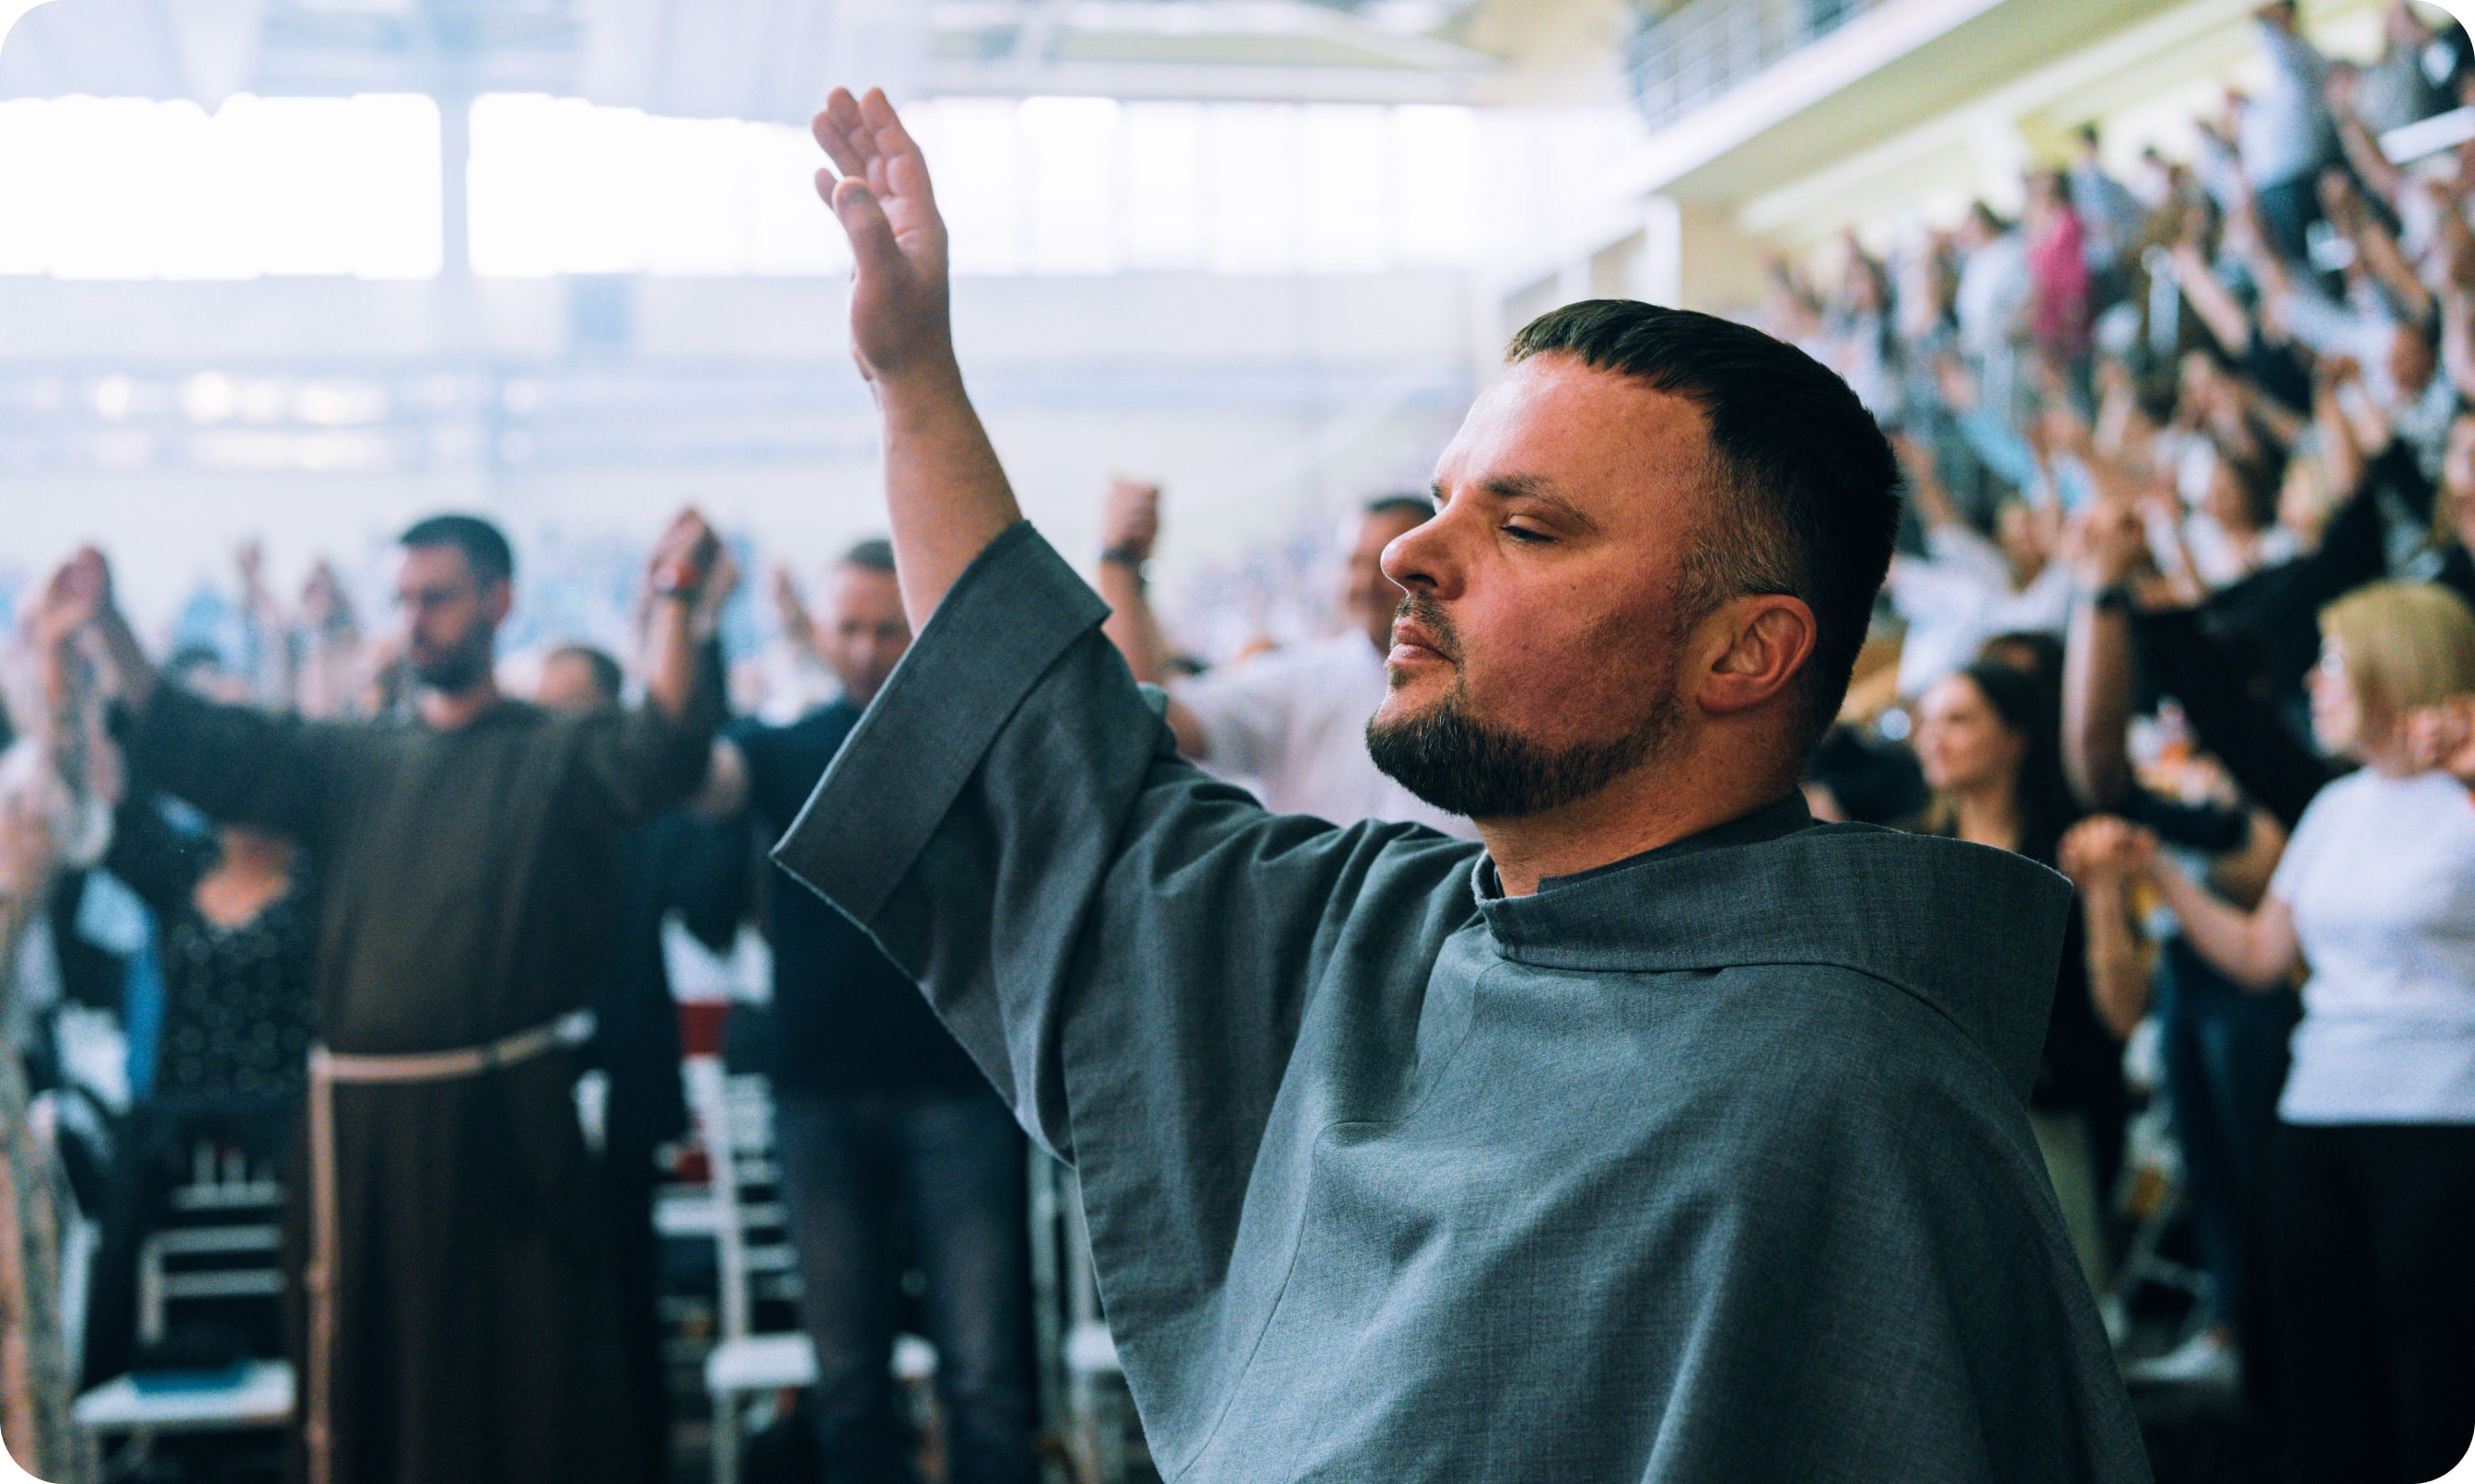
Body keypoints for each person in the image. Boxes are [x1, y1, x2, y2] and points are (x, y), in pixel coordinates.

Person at [773, 87, 2147, 1481]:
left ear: (1744, 651)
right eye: (1440, 502)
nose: (1409, 558)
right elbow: (1062, 779)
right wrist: (914, 387)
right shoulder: (1387, 936)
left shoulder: (1861, 1109)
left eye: (1526, 526)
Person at [33, 508, 726, 1484]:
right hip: (361, 1140)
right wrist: (108, 628)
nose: (414, 622)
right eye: (402, 601)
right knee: (375, 1396)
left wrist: (676, 601)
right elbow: (210, 745)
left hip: (507, 1127)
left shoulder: (555, 753)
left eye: (436, 599)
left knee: (528, 1393)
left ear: (498, 601)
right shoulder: (353, 761)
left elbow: (666, 748)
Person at [702, 539, 1039, 1484]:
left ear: (922, 632)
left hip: (961, 1085)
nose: (865, 648)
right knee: (848, 1381)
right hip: (821, 1093)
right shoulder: (782, 748)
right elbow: (699, 776)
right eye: (848, 627)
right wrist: (700, 623)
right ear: (817, 631)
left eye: (888, 629)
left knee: (985, 1374)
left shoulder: (977, 748)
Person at [2123, 582, 2475, 1483]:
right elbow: (2258, 953)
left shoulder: (2463, 803)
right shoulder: (2335, 806)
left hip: (2442, 1120)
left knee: (2436, 1378)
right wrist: (2159, 871)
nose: (2313, 681)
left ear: (2397, 666)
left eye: (2332, 661)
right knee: (2322, 1376)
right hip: (2315, 1115)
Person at [533, 639, 748, 1480]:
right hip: (525, 1086)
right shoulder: (513, 811)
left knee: (626, 1294)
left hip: (623, 1085)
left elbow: (709, 904)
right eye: (544, 709)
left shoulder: (647, 818)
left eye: (573, 709)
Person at [1910, 662, 2128, 1289]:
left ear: (2015, 737)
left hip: (2053, 1115)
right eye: (1927, 722)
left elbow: (2122, 1014)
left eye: (1958, 720)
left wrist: (2104, 896)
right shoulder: (1917, 851)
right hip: (1944, 1118)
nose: (1933, 737)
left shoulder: (2071, 851)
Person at [1096, 480, 1473, 835]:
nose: (1365, 583)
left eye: (1387, 565)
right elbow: (1158, 719)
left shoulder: (1486, 688)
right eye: (1354, 563)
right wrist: (1119, 564)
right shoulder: (1299, 681)